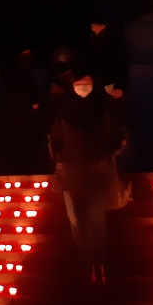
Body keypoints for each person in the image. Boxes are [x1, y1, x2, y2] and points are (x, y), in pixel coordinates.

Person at [50, 68, 127, 284]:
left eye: (87, 83)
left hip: (93, 169)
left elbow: (116, 133)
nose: (82, 88)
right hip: (72, 169)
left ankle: (96, 263)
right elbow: (55, 135)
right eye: (78, 83)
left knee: (92, 219)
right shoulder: (65, 108)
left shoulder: (102, 106)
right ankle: (89, 262)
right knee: (79, 220)